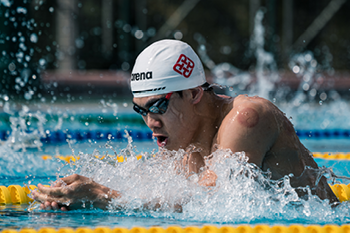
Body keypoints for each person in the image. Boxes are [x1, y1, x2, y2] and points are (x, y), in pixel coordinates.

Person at [32, 39, 338, 211]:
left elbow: (211, 201)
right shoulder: (185, 136)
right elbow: (160, 193)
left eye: (159, 106)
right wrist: (76, 195)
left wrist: (103, 195)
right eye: (141, 111)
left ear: (193, 93)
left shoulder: (246, 119)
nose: (151, 122)